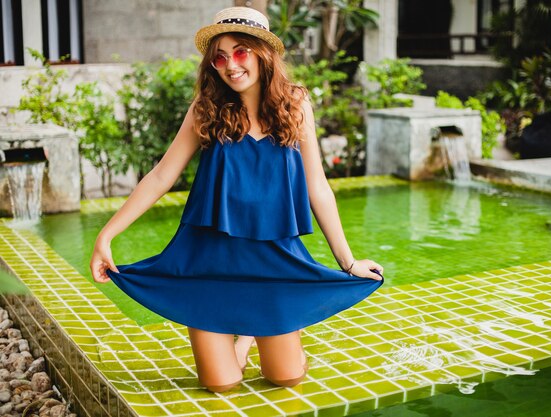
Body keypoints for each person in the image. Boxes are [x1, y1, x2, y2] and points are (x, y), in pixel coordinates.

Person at [90, 6, 384, 393]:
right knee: (221, 385)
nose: (230, 66)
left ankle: (247, 335)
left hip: (274, 263)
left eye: (240, 52)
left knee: (285, 378)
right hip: (208, 264)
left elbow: (318, 187)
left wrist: (347, 262)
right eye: (220, 57)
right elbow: (162, 175)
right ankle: (244, 333)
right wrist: (105, 237)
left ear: (264, 54)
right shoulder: (206, 110)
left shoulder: (296, 105)